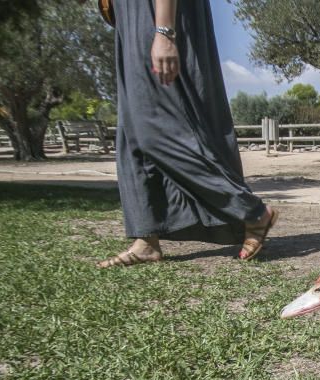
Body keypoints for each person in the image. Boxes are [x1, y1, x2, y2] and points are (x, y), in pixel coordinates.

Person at [98, 0, 276, 267]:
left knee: (156, 129)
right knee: (133, 132)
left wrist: (164, 31)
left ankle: (251, 211)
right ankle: (146, 238)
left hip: (157, 15)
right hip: (131, 17)